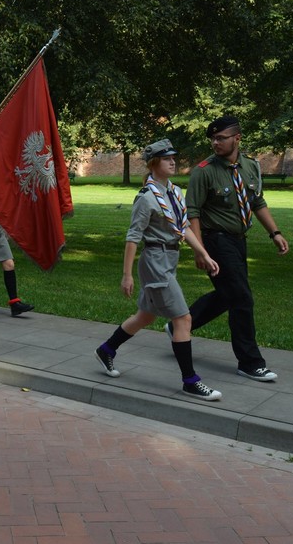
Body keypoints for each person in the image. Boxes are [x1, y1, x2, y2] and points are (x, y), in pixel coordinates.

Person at [93, 139, 223, 401]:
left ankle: (107, 349)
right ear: (154, 164)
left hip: (170, 259)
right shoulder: (146, 198)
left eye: (174, 157)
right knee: (183, 319)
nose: (173, 162)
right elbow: (132, 237)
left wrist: (203, 253)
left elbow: (183, 226)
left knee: (146, 316)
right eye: (167, 159)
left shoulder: (174, 192)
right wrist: (127, 275)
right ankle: (190, 380)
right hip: (155, 261)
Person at [182, 115, 289, 382]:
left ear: (237, 138)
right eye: (213, 138)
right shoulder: (204, 171)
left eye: (221, 138)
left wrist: (274, 232)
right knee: (241, 298)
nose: (215, 142)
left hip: (239, 240)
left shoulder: (251, 167)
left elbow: (257, 202)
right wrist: (199, 251)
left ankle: (181, 325)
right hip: (215, 240)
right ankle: (250, 362)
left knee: (227, 293)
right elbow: (191, 212)